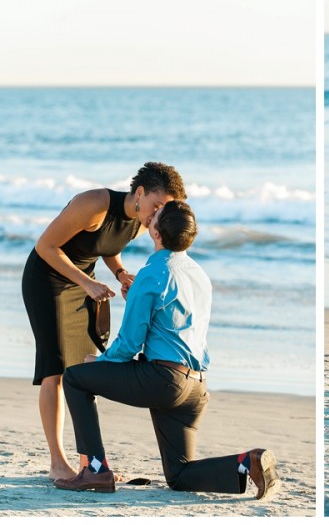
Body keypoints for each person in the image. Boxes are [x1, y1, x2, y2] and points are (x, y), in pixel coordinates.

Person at [53, 200, 281, 500]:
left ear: (157, 233)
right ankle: (246, 462)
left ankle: (95, 469)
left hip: (163, 381)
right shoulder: (199, 274)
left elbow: (130, 343)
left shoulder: (153, 272)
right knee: (179, 474)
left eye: (156, 215)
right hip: (196, 387)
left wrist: (101, 361)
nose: (152, 213)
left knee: (74, 378)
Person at [22, 162, 187, 481]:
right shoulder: (94, 203)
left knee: (82, 371)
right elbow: (46, 246)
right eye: (157, 205)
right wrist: (86, 282)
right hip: (48, 281)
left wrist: (120, 273)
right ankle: (57, 462)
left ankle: (90, 462)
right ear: (140, 193)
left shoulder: (141, 221)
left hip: (84, 281)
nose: (159, 216)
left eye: (165, 209)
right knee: (54, 371)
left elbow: (105, 246)